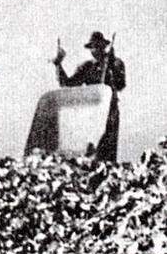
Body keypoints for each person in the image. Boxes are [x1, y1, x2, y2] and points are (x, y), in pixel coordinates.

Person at [53, 31, 126, 162]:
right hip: (91, 113)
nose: (95, 49)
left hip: (110, 113)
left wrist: (111, 67)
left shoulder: (116, 63)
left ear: (104, 46)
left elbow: (120, 85)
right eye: (93, 47)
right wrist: (58, 65)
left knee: (107, 153)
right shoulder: (87, 67)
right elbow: (68, 85)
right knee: (90, 152)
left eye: (98, 46)